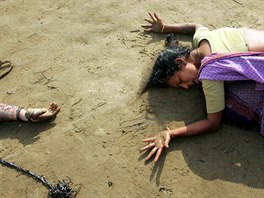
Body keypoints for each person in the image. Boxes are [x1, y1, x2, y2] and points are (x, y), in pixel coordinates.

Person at [140, 30, 264, 162]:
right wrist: (165, 27)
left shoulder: (210, 72)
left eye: (180, 81)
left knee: (231, 100)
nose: (185, 86)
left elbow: (213, 123)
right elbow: (195, 26)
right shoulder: (205, 39)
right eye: (180, 86)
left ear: (181, 61)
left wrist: (172, 133)